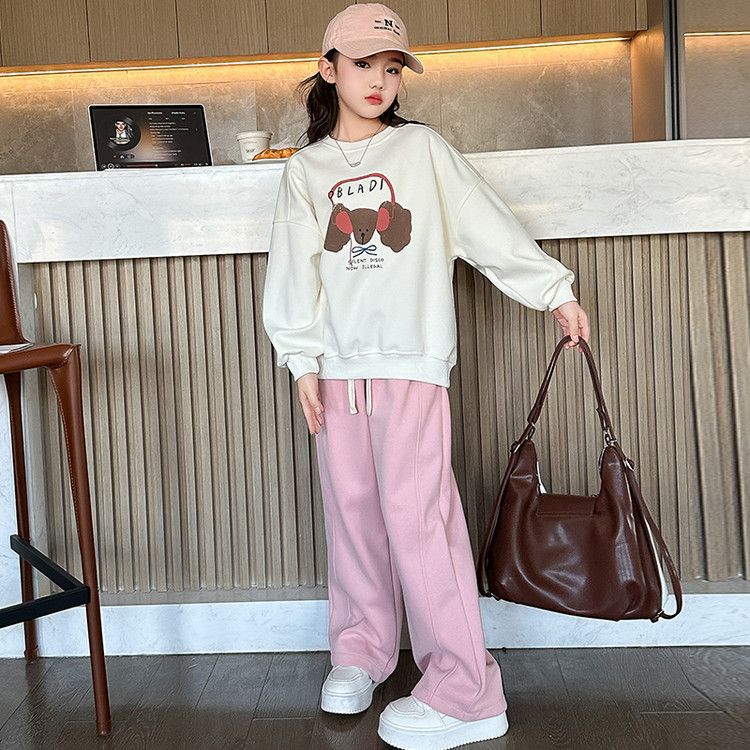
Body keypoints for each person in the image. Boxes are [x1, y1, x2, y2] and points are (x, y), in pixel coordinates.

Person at [262, 3, 591, 748]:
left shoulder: (423, 151)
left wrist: (554, 291)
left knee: (421, 523)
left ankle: (467, 691)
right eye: (363, 64)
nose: (378, 80)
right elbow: (294, 273)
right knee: (352, 521)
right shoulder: (305, 171)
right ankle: (361, 654)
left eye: (391, 68)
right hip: (337, 373)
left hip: (410, 366)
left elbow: (488, 226)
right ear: (328, 69)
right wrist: (301, 362)